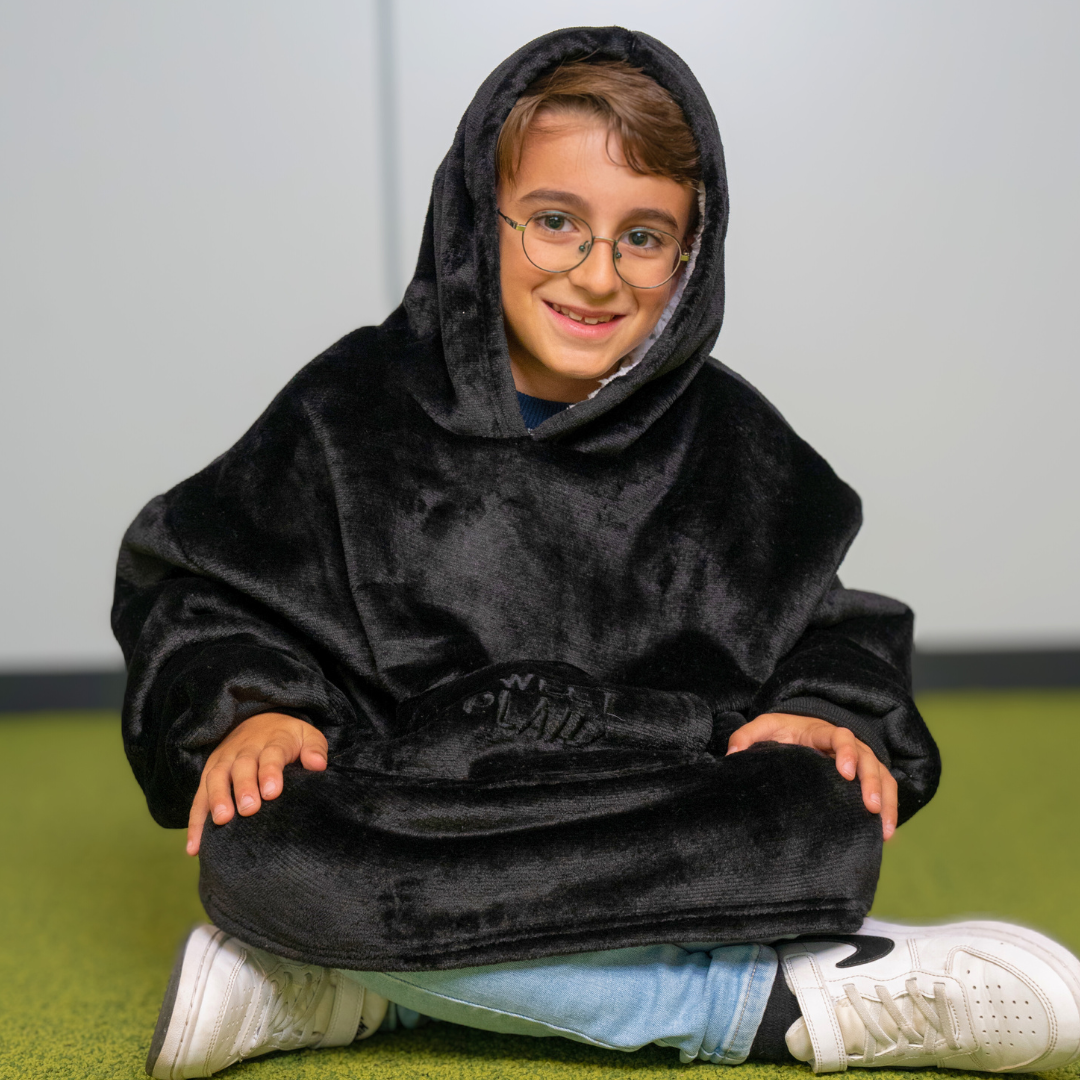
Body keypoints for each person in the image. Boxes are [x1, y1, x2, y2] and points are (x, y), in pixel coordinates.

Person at [113, 26, 1080, 1080]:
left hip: (646, 802)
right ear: (478, 219)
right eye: (556, 223)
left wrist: (824, 709)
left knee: (812, 803)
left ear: (692, 255)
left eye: (645, 237)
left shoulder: (731, 442)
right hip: (419, 805)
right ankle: (759, 1003)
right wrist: (254, 709)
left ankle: (346, 980)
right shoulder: (349, 410)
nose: (597, 274)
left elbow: (830, 622)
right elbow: (202, 591)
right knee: (270, 839)